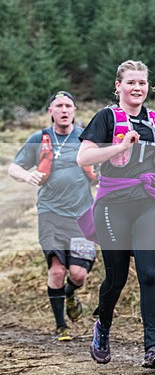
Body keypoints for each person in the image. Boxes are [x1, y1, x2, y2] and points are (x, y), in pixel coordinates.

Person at [76, 60, 155, 369]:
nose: (137, 88)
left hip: (148, 199)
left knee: (150, 273)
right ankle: (103, 326)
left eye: (142, 83)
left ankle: (153, 347)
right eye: (131, 82)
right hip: (113, 203)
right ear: (118, 86)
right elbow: (84, 157)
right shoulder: (107, 117)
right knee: (117, 276)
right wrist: (118, 146)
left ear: (149, 87)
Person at [8, 91, 96, 342]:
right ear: (51, 111)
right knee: (57, 271)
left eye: (69, 105)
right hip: (50, 214)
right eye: (59, 106)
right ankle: (61, 326)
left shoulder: (86, 138)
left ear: (75, 110)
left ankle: (69, 294)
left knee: (78, 274)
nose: (64, 109)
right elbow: (14, 167)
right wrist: (27, 176)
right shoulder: (40, 138)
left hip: (81, 216)